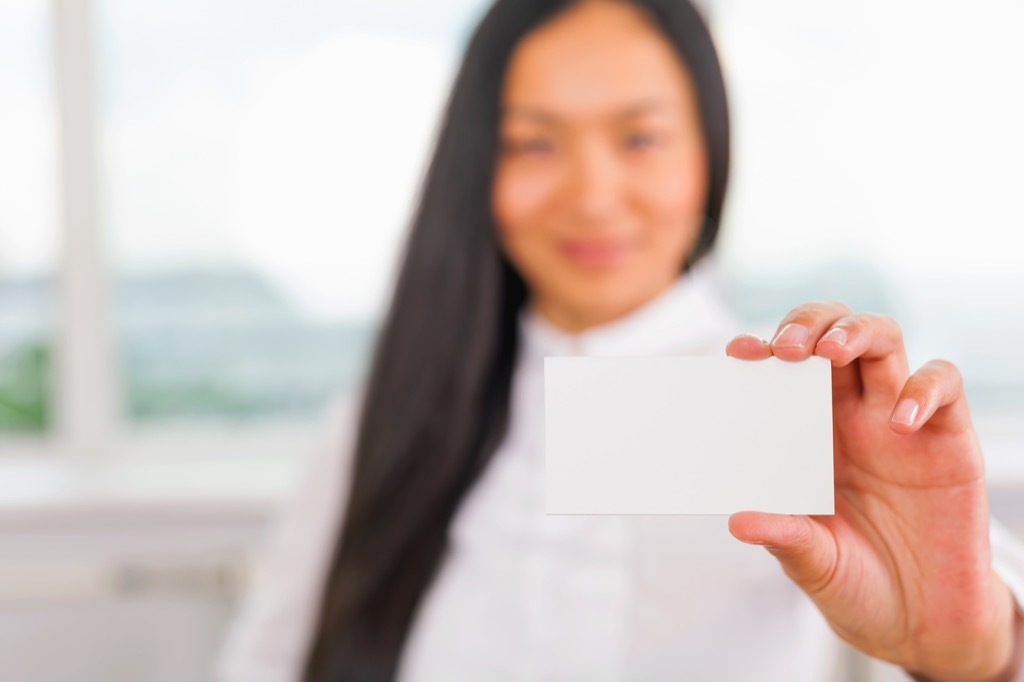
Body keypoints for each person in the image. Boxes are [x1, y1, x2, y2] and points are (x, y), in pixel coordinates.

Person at [216, 1, 1024, 680]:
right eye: (535, 142)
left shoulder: (800, 402)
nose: (593, 195)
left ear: (709, 156)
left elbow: (975, 619)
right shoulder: (385, 415)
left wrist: (965, 651)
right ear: (477, 170)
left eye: (640, 137)